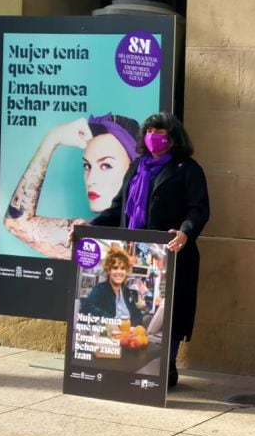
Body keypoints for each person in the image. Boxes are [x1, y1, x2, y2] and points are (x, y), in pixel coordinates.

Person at [87, 113, 209, 388]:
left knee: (169, 313)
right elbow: (118, 207)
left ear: (174, 137)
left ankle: (167, 366)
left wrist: (185, 232)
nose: (155, 137)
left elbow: (198, 209)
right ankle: (128, 364)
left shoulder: (187, 168)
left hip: (171, 255)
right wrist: (90, 227)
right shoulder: (137, 167)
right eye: (150, 131)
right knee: (134, 311)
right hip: (132, 255)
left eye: (162, 133)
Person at [4, 114, 140, 258]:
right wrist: (52, 139)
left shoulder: (154, 230)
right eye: (87, 166)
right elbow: (16, 223)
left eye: (106, 165)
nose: (91, 179)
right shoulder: (87, 233)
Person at [79, 247, 144, 328]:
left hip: (126, 336)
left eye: (123, 268)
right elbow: (86, 306)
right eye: (115, 268)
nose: (119, 272)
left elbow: (137, 314)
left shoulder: (126, 291)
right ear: (108, 270)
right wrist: (112, 321)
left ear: (126, 271)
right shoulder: (100, 289)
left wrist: (134, 327)